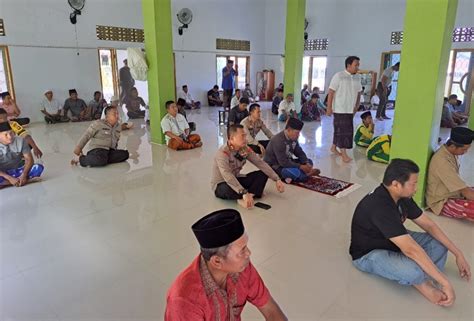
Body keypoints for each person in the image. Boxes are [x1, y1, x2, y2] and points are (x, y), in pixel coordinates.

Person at [349, 158, 471, 306]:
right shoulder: (379, 206)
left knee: (439, 244)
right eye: (413, 184)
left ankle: (421, 277)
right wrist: (444, 282)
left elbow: (429, 226)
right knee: (413, 271)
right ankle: (421, 282)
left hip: (396, 239)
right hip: (370, 253)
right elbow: (411, 249)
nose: (416, 188)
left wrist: (458, 253)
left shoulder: (402, 195)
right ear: (396, 184)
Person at [165, 209, 288, 320]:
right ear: (217, 261)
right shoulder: (184, 302)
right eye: (242, 250)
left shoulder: (242, 268)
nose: (248, 253)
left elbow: (271, 310)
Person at [211, 124, 284, 209]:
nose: (245, 139)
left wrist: (277, 179)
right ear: (231, 138)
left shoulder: (244, 149)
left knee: (262, 174)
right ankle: (243, 196)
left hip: (236, 179)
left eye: (245, 135)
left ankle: (248, 196)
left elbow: (260, 163)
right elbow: (227, 176)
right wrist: (243, 192)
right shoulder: (223, 153)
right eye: (242, 136)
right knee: (225, 189)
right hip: (222, 183)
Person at [426, 127, 474, 221]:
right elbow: (465, 191)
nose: (465, 152)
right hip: (441, 201)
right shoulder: (442, 162)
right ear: (452, 146)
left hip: (454, 192)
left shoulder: (448, 152)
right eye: (463, 149)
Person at [327, 56, 363, 163]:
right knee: (343, 132)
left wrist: (356, 105)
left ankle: (333, 147)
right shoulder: (339, 76)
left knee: (340, 130)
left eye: (358, 65)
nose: (357, 67)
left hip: (350, 109)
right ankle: (344, 154)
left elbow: (359, 91)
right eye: (356, 65)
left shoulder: (357, 77)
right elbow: (331, 92)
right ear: (348, 65)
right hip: (339, 109)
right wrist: (329, 108)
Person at [264, 118, 320, 183]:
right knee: (297, 174)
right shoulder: (278, 140)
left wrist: (306, 163)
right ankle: (305, 175)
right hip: (275, 166)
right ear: (289, 130)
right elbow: (283, 162)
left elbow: (299, 152)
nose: (298, 135)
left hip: (288, 161)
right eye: (297, 133)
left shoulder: (293, 138)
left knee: (309, 161)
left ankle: (292, 176)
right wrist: (301, 167)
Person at [0, 122, 44, 187]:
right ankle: (25, 181)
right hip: (3, 173)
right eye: (5, 135)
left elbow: (29, 159)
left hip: (19, 170)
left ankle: (8, 183)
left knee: (38, 167)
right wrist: (9, 178)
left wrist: (24, 175)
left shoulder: (21, 141)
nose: (10, 137)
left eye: (11, 133)